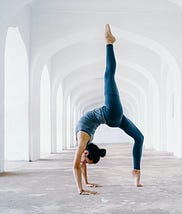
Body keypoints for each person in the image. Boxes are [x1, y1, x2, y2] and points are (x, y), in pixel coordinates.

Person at [73, 24, 144, 195]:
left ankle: (109, 42)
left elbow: (76, 166)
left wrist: (82, 188)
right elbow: (80, 164)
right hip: (112, 115)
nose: (84, 162)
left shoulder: (83, 140)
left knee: (108, 75)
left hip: (112, 114)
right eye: (87, 161)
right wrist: (86, 184)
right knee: (139, 138)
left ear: (86, 152)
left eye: (86, 160)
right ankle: (109, 43)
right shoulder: (85, 144)